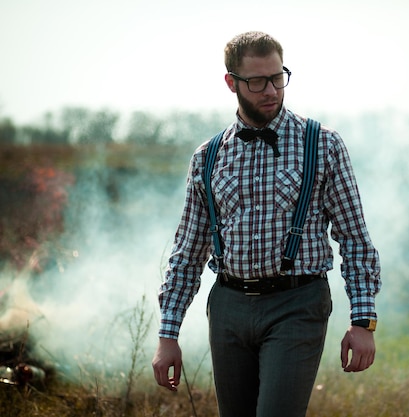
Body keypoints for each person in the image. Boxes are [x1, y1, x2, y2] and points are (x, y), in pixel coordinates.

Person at [152, 31, 381, 417]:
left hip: (297, 303)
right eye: (257, 82)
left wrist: (363, 321)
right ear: (232, 83)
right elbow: (188, 251)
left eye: (278, 77)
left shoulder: (323, 144)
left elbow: (355, 238)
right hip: (228, 307)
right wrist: (167, 334)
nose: (271, 90)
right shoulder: (207, 157)